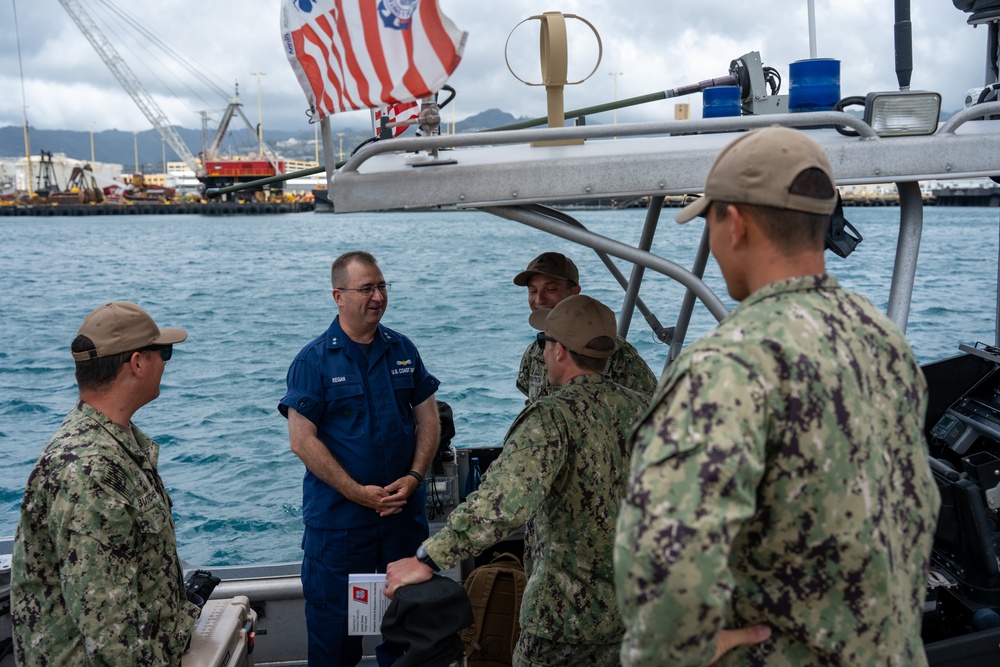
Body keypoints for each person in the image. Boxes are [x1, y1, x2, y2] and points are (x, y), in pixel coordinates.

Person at [615, 126, 942, 666]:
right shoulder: (881, 338)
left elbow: (665, 559)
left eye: (709, 221)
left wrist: (678, 652)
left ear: (735, 224)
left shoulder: (726, 366)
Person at [385, 294, 649, 667]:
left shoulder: (552, 417)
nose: (541, 353)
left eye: (544, 342)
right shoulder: (647, 410)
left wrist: (429, 558)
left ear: (559, 351)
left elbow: (501, 503)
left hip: (564, 621)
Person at [10, 301, 200, 665]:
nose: (165, 362)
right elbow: (109, 628)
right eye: (164, 352)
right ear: (138, 363)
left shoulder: (115, 443)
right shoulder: (89, 470)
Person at [279, 250, 441, 666]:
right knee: (334, 643)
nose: (378, 296)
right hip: (340, 529)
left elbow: (428, 419)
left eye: (382, 286)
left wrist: (416, 475)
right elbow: (302, 440)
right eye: (366, 288)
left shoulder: (402, 349)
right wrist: (357, 493)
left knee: (407, 639)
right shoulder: (312, 361)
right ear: (338, 296)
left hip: (402, 521)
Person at [513, 251, 657, 403]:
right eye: (532, 291)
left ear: (574, 292)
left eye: (551, 290)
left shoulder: (613, 351)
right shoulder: (534, 352)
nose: (539, 299)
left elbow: (651, 409)